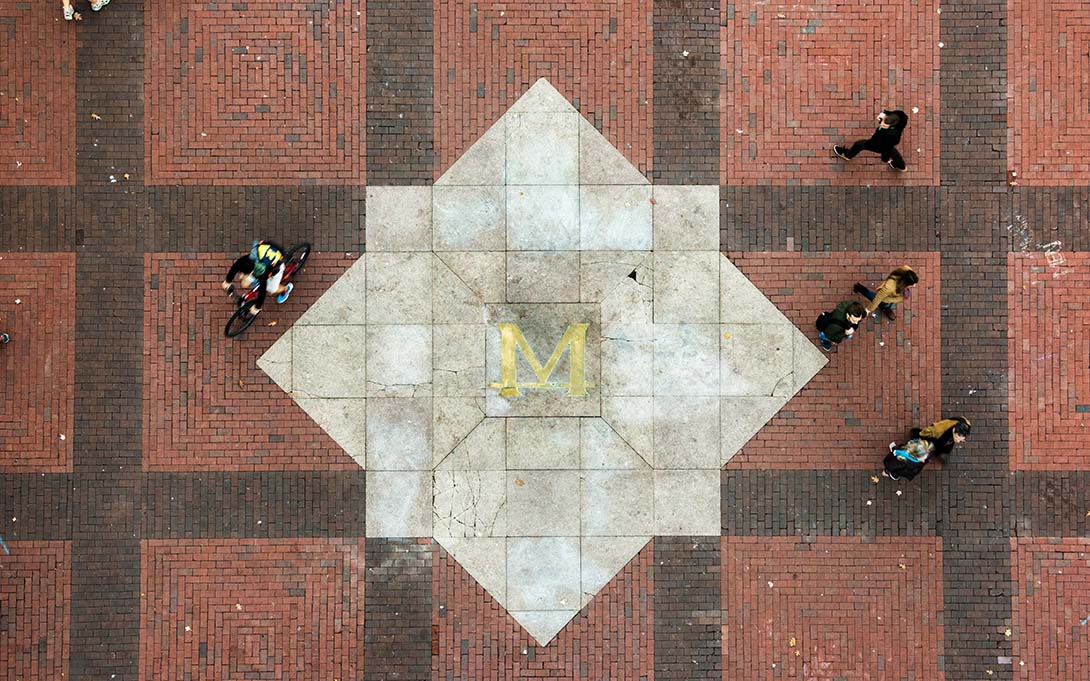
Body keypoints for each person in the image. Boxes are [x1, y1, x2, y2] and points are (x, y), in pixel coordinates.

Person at [883, 416, 970, 481]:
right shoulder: (939, 430)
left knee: (909, 448)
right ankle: (897, 453)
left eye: (961, 440)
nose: (958, 441)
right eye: (958, 438)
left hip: (921, 450)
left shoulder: (912, 462)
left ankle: (897, 453)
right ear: (954, 430)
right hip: (928, 444)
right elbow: (927, 432)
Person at [221, 241, 293, 315]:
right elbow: (236, 266)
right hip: (265, 258)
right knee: (244, 283)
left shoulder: (261, 272)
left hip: (276, 266)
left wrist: (257, 308)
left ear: (252, 272)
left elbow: (263, 291)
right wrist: (227, 281)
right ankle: (253, 280)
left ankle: (285, 289)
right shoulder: (249, 258)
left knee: (271, 289)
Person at [833, 109, 909, 172]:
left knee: (859, 144)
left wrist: (884, 158)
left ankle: (847, 155)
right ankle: (901, 166)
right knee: (893, 151)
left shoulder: (888, 135)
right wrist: (885, 113)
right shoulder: (900, 118)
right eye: (882, 122)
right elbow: (896, 115)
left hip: (880, 144)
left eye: (884, 125)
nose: (881, 124)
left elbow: (884, 148)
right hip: (887, 144)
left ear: (891, 126)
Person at [853, 266, 918, 321]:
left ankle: (886, 309)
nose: (914, 285)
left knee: (888, 304)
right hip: (886, 299)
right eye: (912, 284)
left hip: (893, 297)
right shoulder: (889, 288)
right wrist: (867, 310)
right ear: (904, 283)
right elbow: (877, 299)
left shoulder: (907, 269)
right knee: (878, 300)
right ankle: (860, 288)